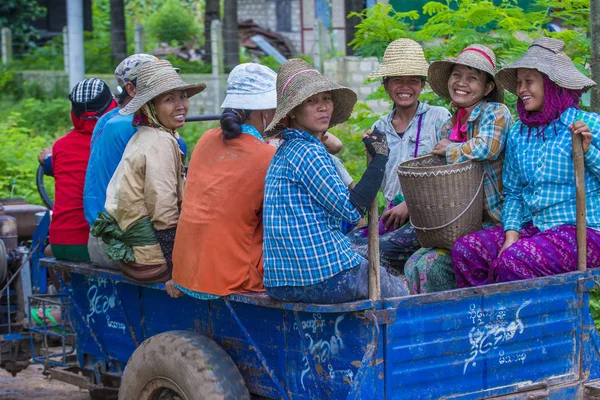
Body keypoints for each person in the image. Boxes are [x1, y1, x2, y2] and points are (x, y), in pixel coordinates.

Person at [452, 37, 600, 286]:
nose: (521, 89)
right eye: (519, 82)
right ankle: (487, 321)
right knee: (467, 250)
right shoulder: (520, 133)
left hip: (583, 231)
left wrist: (588, 151)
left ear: (551, 84)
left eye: (529, 81)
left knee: (513, 261)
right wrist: (512, 235)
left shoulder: (588, 124)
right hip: (535, 228)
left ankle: (523, 322)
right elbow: (513, 193)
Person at [262, 58, 408, 303]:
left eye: (326, 99)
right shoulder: (308, 152)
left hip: (282, 280)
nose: (323, 107)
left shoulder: (287, 150)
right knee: (400, 292)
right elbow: (352, 212)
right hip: (320, 275)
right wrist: (381, 158)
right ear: (293, 112)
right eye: (311, 101)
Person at [403, 44, 513, 294]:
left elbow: (488, 147)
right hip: (460, 222)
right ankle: (422, 326)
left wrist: (451, 149)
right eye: (457, 75)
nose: (461, 83)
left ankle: (451, 325)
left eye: (472, 78)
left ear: (487, 88)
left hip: (496, 221)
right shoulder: (447, 126)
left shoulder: (496, 113)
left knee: (433, 267)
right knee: (414, 264)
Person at [90, 59, 205, 285]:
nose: (181, 105)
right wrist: (176, 271)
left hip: (137, 253)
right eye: (169, 99)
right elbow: (164, 214)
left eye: (182, 96)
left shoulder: (147, 134)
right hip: (149, 261)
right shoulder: (160, 142)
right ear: (151, 106)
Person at [171, 63, 278, 300]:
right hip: (229, 277)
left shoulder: (206, 138)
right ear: (266, 112)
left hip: (186, 271)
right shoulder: (267, 156)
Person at [347, 38, 451, 274]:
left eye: (412, 81)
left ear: (422, 84)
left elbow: (448, 172)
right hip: (392, 218)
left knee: (367, 254)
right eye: (397, 81)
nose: (405, 87)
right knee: (345, 244)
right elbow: (376, 185)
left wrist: (410, 204)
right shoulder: (379, 128)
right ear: (385, 84)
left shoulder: (438, 117)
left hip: (428, 217)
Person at [43, 78, 118, 261]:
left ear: (73, 114)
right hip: (93, 243)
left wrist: (47, 160)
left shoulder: (60, 147)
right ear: (112, 107)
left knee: (47, 252)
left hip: (59, 241)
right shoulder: (113, 142)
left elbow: (61, 166)